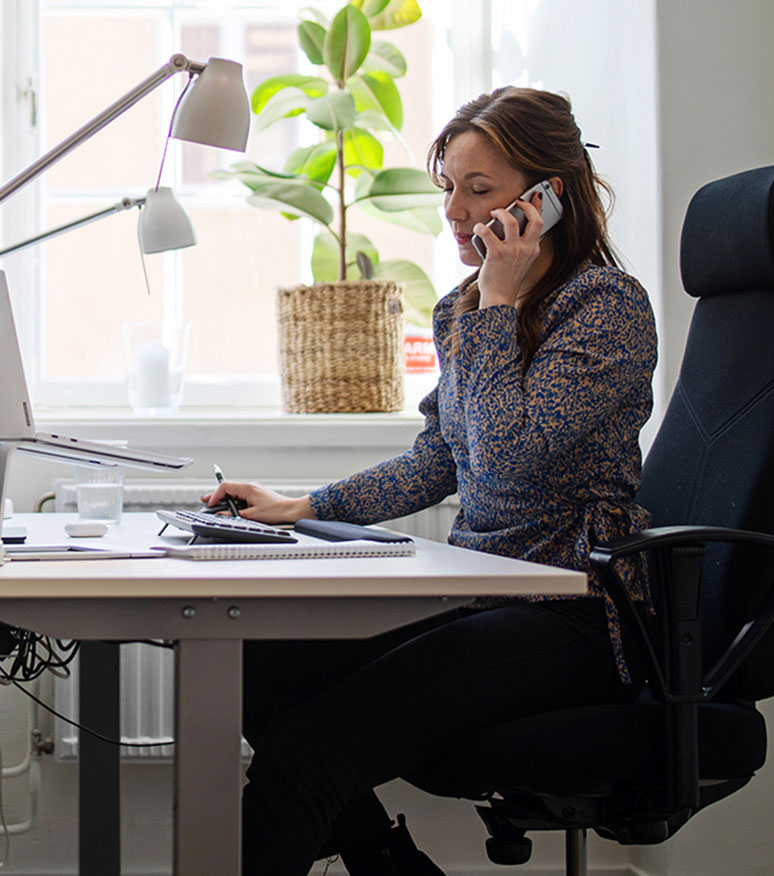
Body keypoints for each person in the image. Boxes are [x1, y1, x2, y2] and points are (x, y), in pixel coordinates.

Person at [208, 86, 658, 876]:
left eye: (478, 190)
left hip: (578, 610)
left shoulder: (605, 308)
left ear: (551, 193)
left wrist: (497, 302)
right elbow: (442, 458)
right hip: (485, 593)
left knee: (307, 761)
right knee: (251, 664)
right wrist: (303, 506)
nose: (454, 209)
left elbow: (513, 462)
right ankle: (390, 864)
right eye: (448, 186)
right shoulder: (464, 310)